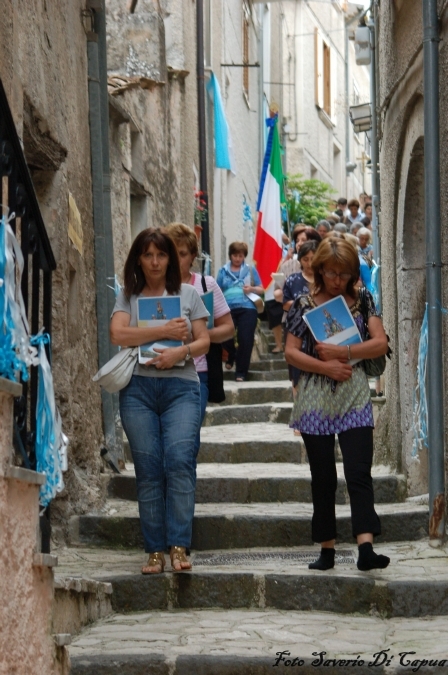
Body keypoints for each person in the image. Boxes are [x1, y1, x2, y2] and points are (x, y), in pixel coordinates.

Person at [285, 238, 390, 572]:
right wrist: (325, 366)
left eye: (343, 273)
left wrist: (344, 353)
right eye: (330, 272)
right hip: (315, 397)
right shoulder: (303, 304)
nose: (336, 280)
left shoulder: (363, 299)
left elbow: (380, 343)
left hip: (355, 394)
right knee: (323, 475)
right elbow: (291, 351)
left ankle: (366, 548)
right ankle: (327, 548)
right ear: (319, 270)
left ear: (353, 273)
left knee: (358, 471)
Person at [110, 228, 210, 575]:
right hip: (138, 389)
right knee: (148, 468)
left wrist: (180, 351)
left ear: (169, 259)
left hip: (181, 387)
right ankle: (154, 551)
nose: (155, 262)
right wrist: (164, 331)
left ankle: (178, 545)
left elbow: (204, 341)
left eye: (161, 254)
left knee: (180, 461)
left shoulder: (188, 293)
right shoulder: (128, 295)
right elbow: (117, 333)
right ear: (138, 259)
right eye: (148, 255)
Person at [164, 223, 234, 458]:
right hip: (159, 371)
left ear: (193, 256)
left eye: (182, 254)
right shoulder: (153, 287)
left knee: (187, 442)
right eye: (170, 253)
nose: (176, 260)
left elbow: (228, 328)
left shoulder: (206, 285)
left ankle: (184, 482)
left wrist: (200, 335)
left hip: (197, 373)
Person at [217, 241, 264, 382]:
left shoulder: (250, 270)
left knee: (246, 338)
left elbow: (261, 288)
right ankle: (232, 354)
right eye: (235, 255)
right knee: (224, 336)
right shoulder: (222, 271)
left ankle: (241, 372)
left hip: (247, 307)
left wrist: (252, 289)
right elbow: (217, 290)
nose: (238, 258)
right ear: (230, 255)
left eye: (241, 256)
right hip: (227, 309)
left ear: (244, 256)